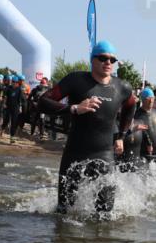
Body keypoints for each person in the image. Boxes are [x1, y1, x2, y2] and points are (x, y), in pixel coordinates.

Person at [39, 40, 136, 214]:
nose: (108, 62)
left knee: (106, 213)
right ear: (92, 59)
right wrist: (74, 108)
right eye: (103, 58)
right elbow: (43, 102)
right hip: (75, 153)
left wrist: (121, 135)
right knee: (64, 211)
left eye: (112, 60)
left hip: (105, 154)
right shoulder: (76, 80)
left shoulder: (122, 87)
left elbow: (130, 107)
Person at [121, 88, 156, 168]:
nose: (151, 101)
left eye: (152, 98)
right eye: (148, 99)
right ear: (143, 100)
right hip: (143, 156)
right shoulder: (137, 115)